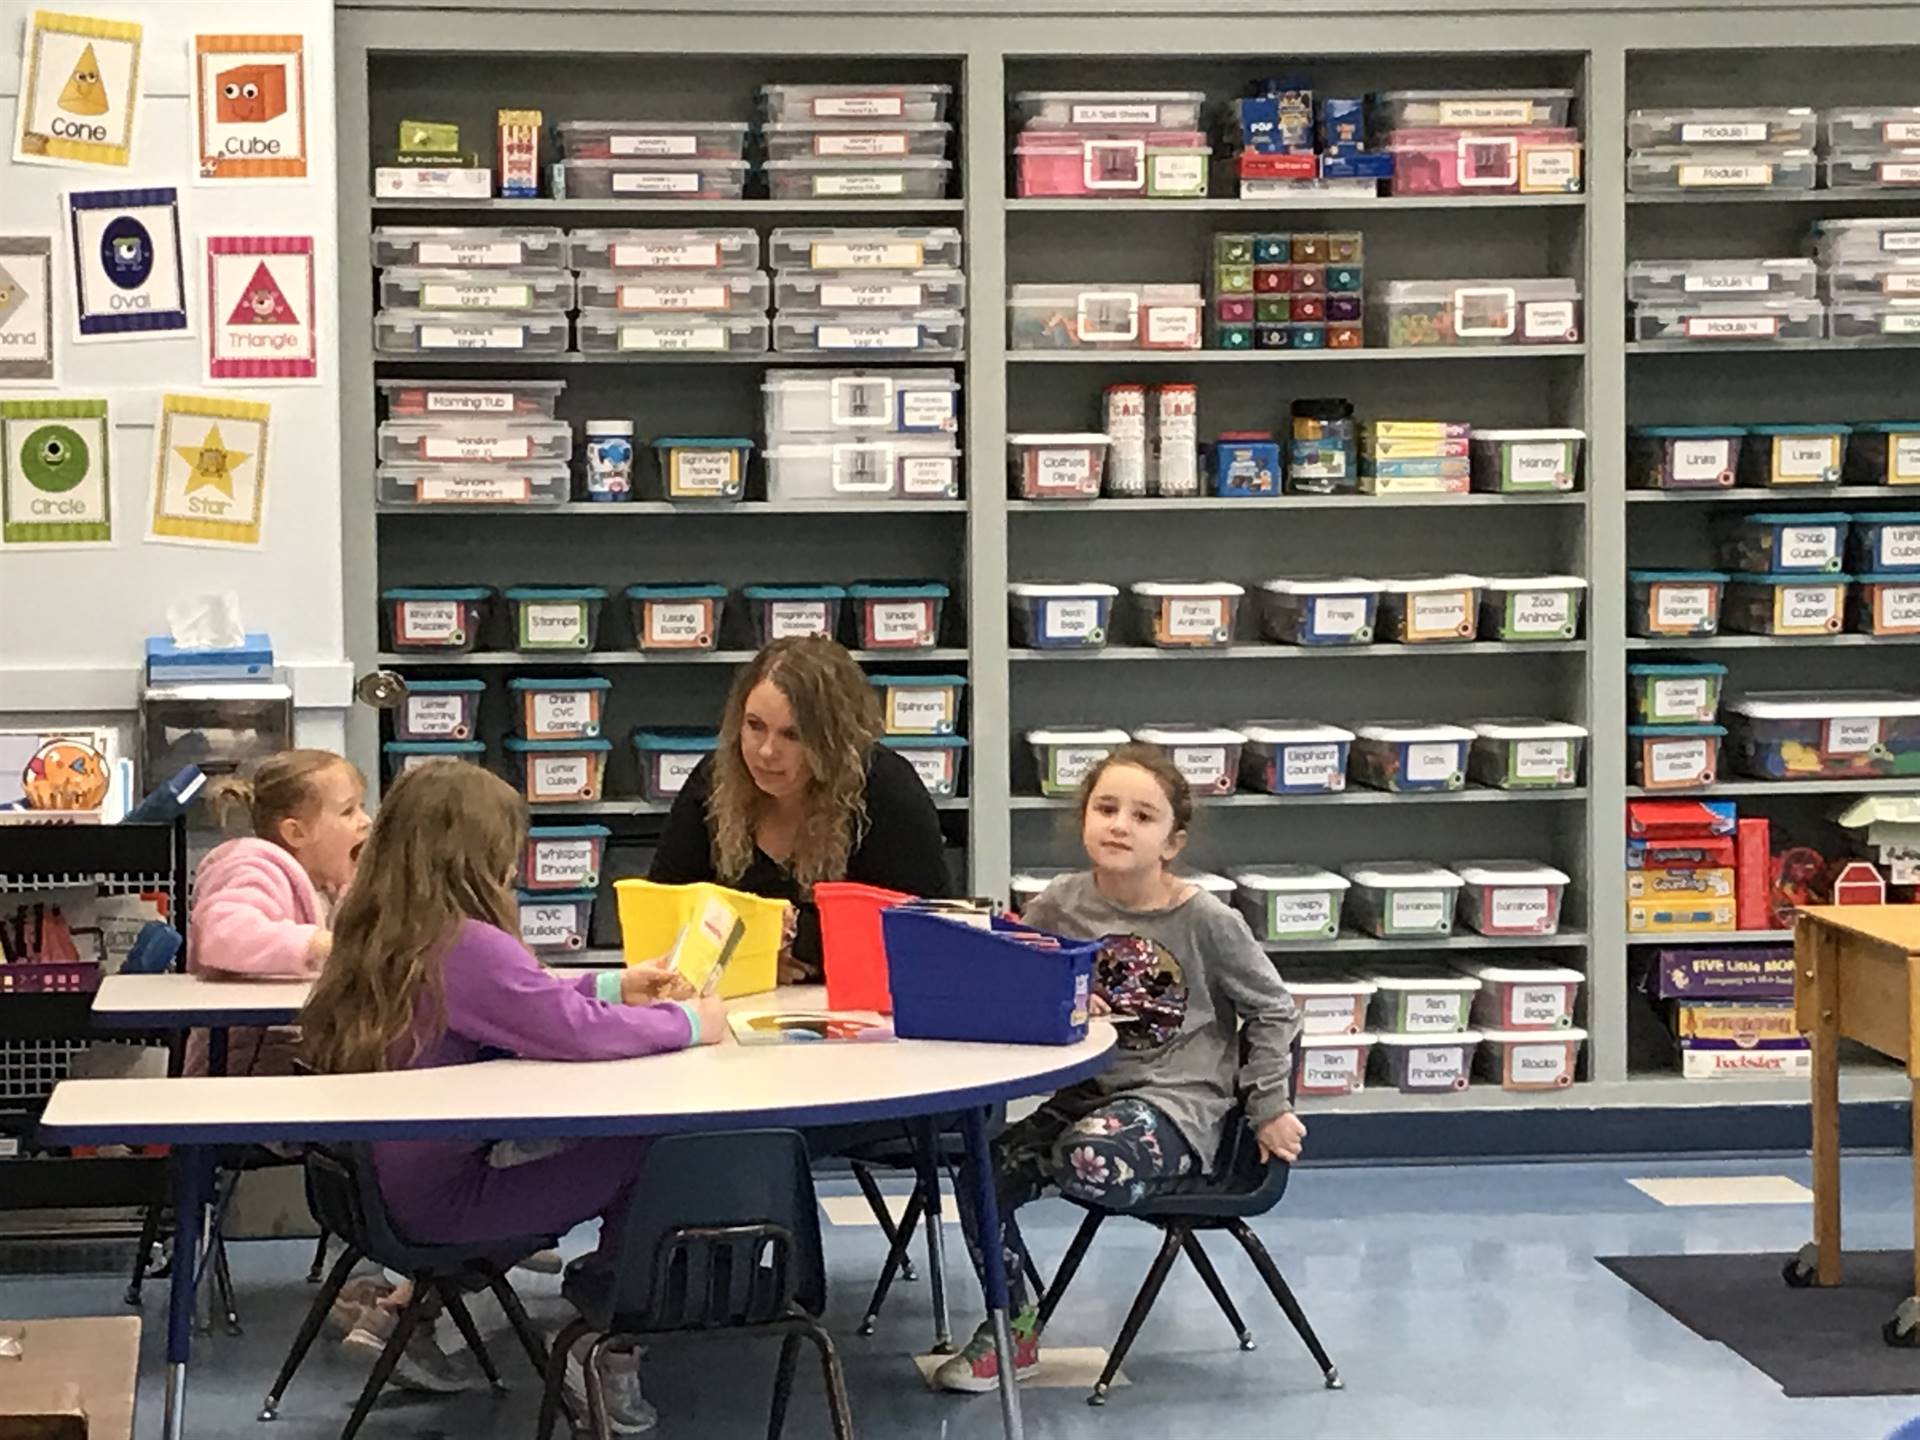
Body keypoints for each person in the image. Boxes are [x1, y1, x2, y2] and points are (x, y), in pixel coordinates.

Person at [302, 760, 726, 1434]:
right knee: (655, 1145)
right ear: (476, 858)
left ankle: (410, 1311)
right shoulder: (464, 945)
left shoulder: (386, 931)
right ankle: (612, 1345)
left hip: (377, 1197)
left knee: (571, 1138)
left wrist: (618, 988)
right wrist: (690, 1023)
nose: (515, 873)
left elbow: (528, 1005)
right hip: (444, 1205)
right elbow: (567, 1029)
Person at [934, 744, 1306, 1393]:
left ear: (1172, 840)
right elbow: (1023, 983)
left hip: (1174, 1105)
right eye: (1106, 808)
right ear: (1084, 818)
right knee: (980, 1173)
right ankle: (1013, 1328)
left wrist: (1267, 1105)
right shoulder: (1061, 903)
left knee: (1092, 1159)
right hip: (1086, 1099)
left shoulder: (1206, 921)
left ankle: (1117, 1167)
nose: (1119, 825)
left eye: (1142, 816)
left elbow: (1275, 1010)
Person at [649, 636, 953, 980]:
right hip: (733, 1001)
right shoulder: (714, 780)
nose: (766, 751)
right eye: (754, 726)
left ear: (832, 741)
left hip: (864, 1007)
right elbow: (662, 910)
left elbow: (931, 932)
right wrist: (752, 961)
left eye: (792, 735)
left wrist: (792, 944)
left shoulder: (886, 789)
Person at [191, 749, 370, 1078]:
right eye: (348, 811)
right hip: (239, 1082)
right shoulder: (251, 867)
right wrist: (319, 944)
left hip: (295, 1068)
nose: (366, 821)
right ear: (296, 833)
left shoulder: (328, 886)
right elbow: (223, 935)